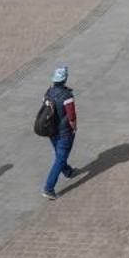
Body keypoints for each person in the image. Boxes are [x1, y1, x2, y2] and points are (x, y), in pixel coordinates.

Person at [40, 66, 79, 199]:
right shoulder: (67, 96)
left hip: (51, 130)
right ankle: (48, 188)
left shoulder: (48, 92)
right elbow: (71, 116)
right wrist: (74, 127)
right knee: (60, 158)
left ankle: (67, 171)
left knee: (59, 153)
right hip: (64, 132)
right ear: (65, 79)